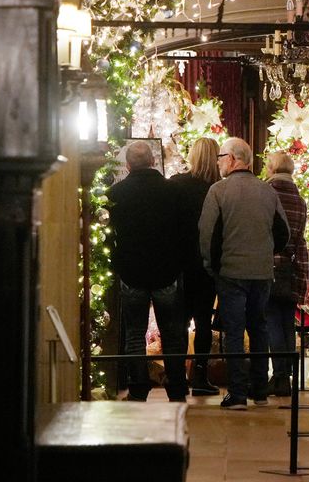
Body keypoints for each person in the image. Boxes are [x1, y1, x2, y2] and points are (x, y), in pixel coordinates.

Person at [198, 137, 290, 410]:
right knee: (259, 327)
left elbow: (207, 234)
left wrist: (210, 266)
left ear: (233, 158)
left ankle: (237, 393)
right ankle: (260, 389)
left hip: (231, 271)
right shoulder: (267, 191)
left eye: (221, 156)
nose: (218, 162)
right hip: (262, 272)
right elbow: (282, 232)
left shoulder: (218, 191)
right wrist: (265, 251)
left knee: (235, 331)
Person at [107, 140, 189, 402]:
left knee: (134, 334)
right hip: (167, 271)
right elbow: (183, 233)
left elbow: (111, 235)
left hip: (132, 272)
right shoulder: (172, 191)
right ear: (154, 161)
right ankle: (176, 388)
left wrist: (117, 263)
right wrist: (178, 264)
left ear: (128, 164)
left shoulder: (116, 194)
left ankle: (138, 387)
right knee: (173, 334)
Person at [170, 137, 221, 396]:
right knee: (203, 322)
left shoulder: (177, 184)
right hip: (207, 264)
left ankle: (177, 377)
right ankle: (200, 376)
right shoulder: (218, 188)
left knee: (179, 322)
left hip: (180, 262)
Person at [263, 150, 309, 397]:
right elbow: (299, 237)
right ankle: (286, 376)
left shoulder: (268, 194)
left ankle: (279, 375)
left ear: (271, 169)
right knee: (287, 322)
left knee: (271, 320)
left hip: (270, 265)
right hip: (293, 267)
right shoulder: (300, 200)